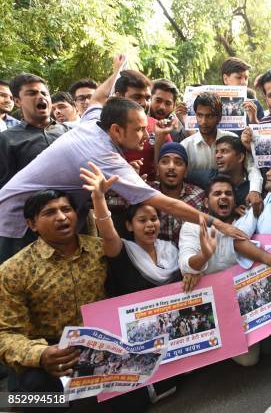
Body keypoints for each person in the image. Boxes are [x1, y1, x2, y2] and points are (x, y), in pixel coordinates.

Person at [0, 56, 246, 264]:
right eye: (139, 129)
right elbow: (166, 204)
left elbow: (98, 97)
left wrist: (116, 69)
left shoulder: (96, 120)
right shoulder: (104, 156)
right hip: (17, 220)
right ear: (116, 130)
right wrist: (221, 225)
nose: (146, 134)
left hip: (42, 214)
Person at [81, 162, 181, 402]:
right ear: (129, 225)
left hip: (171, 332)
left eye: (154, 219)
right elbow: (106, 231)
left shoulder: (171, 250)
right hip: (133, 338)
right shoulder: (122, 250)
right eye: (142, 220)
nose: (150, 225)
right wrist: (99, 198)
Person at [178, 175, 271, 365]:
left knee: (270, 347)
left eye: (228, 193)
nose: (223, 197)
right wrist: (204, 256)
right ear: (206, 201)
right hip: (221, 304)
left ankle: (269, 330)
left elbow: (258, 248)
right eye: (217, 193)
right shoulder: (192, 226)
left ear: (234, 200)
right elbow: (185, 263)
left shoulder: (245, 221)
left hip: (252, 298)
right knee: (249, 361)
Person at [0, 190, 107, 396]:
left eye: (66, 209)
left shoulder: (101, 251)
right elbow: (5, 333)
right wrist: (41, 355)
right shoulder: (13, 270)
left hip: (101, 342)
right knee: (37, 391)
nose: (61, 217)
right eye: (49, 212)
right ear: (32, 224)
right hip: (51, 349)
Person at [181, 92, 263, 211]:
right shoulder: (186, 146)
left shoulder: (233, 139)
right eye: (199, 115)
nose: (203, 121)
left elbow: (251, 167)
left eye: (209, 116)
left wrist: (255, 190)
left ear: (219, 117)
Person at [0, 73, 70, 189]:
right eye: (32, 93)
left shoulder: (70, 132)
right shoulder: (6, 140)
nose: (41, 97)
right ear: (17, 101)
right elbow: (6, 188)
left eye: (44, 93)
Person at [114, 69, 173, 181]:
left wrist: (159, 142)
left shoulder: (158, 128)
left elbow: (166, 174)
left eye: (147, 98)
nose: (144, 103)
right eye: (137, 97)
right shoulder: (102, 131)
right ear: (119, 96)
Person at [152, 142, 206, 245]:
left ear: (186, 171)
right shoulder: (146, 192)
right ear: (157, 169)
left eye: (178, 163)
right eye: (165, 162)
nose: (171, 167)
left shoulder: (200, 196)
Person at [220, 57, 265, 124]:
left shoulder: (255, 105)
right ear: (225, 79)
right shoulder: (213, 104)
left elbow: (263, 133)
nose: (244, 82)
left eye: (246, 78)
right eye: (238, 77)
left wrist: (254, 120)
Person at [150, 78, 189, 142]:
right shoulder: (139, 120)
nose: (162, 107)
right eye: (158, 100)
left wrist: (186, 121)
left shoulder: (177, 125)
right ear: (150, 99)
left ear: (174, 106)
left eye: (168, 103)